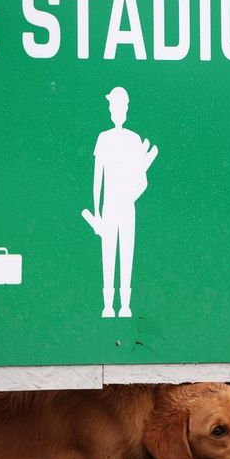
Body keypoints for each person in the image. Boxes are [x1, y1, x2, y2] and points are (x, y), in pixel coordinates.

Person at [93, 87, 157, 317]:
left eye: (118, 106)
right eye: (112, 106)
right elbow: (97, 180)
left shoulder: (134, 140)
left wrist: (130, 197)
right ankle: (108, 306)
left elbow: (142, 182)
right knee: (108, 255)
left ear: (125, 109)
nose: (115, 110)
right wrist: (97, 212)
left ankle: (126, 306)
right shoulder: (103, 138)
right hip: (109, 207)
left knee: (126, 254)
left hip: (126, 208)